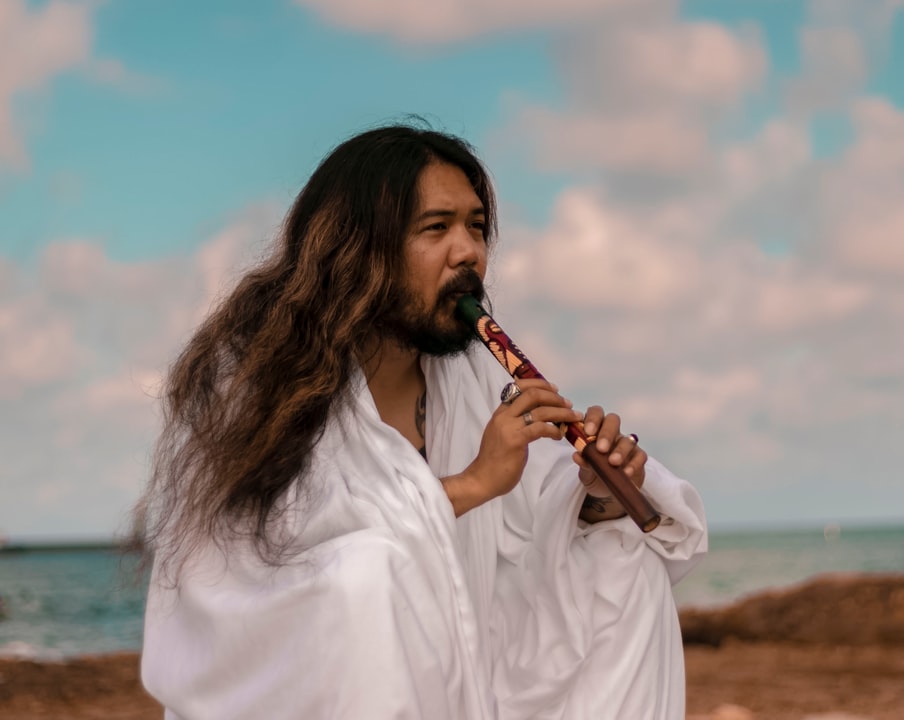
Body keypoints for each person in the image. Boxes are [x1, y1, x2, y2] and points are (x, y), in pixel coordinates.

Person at [136, 124, 707, 719]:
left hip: (458, 669)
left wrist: (594, 495)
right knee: (366, 578)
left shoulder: (473, 372)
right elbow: (268, 565)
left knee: (626, 566)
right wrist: (474, 483)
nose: (468, 252)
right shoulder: (255, 373)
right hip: (300, 683)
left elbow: (531, 517)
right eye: (436, 228)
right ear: (358, 248)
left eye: (477, 227)